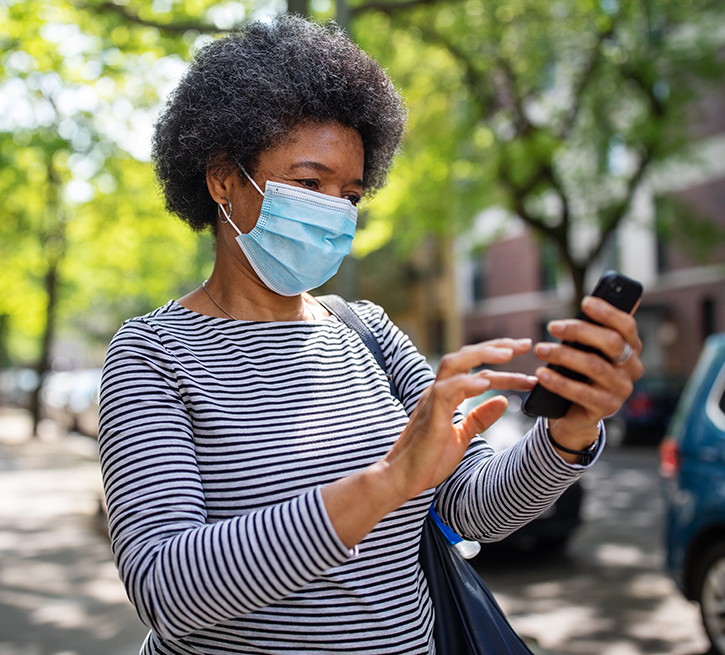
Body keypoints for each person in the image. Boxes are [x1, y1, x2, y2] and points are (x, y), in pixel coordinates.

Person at [97, 15, 643, 655]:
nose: (334, 209)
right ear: (222, 180)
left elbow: (472, 508)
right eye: (308, 183)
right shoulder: (152, 353)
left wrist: (568, 433)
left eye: (349, 193)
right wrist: (383, 484)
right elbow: (169, 592)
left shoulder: (368, 331)